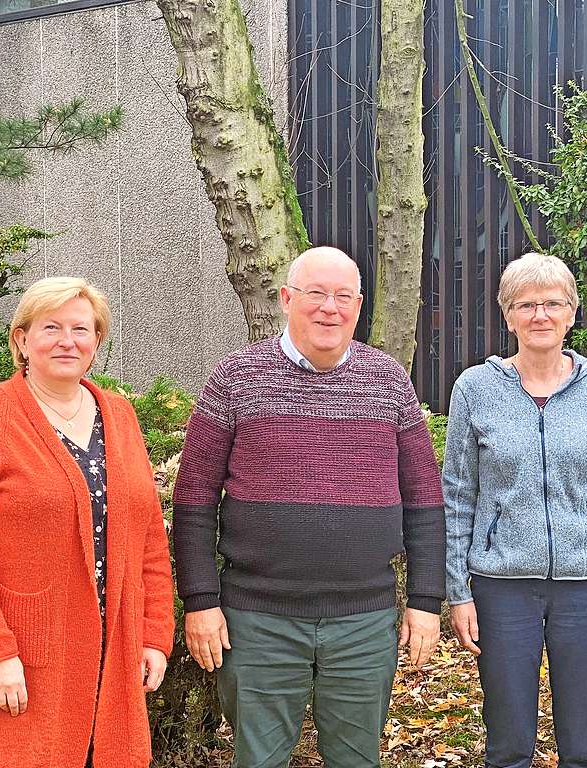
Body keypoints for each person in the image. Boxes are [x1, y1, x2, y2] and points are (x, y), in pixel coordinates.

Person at [172, 246, 446, 768]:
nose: (329, 308)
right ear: (286, 299)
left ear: (359, 305)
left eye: (343, 296)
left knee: (357, 759)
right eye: (316, 293)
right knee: (259, 759)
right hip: (257, 619)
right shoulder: (236, 379)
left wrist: (425, 600)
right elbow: (194, 499)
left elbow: (425, 502)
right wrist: (201, 600)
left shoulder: (388, 381)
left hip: (363, 620)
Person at [0, 277, 175, 768]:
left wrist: (154, 634)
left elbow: (149, 535)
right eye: (51, 328)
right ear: (22, 340)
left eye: (80, 329)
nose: (67, 340)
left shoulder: (121, 416)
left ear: (96, 342)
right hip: (23, 658)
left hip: (115, 654)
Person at [443, 252, 587, 768]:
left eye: (553, 303)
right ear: (508, 316)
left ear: (571, 313)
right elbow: (458, 496)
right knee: (508, 742)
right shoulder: (475, 389)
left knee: (583, 744)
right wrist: (459, 592)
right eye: (526, 305)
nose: (540, 315)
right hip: (502, 587)